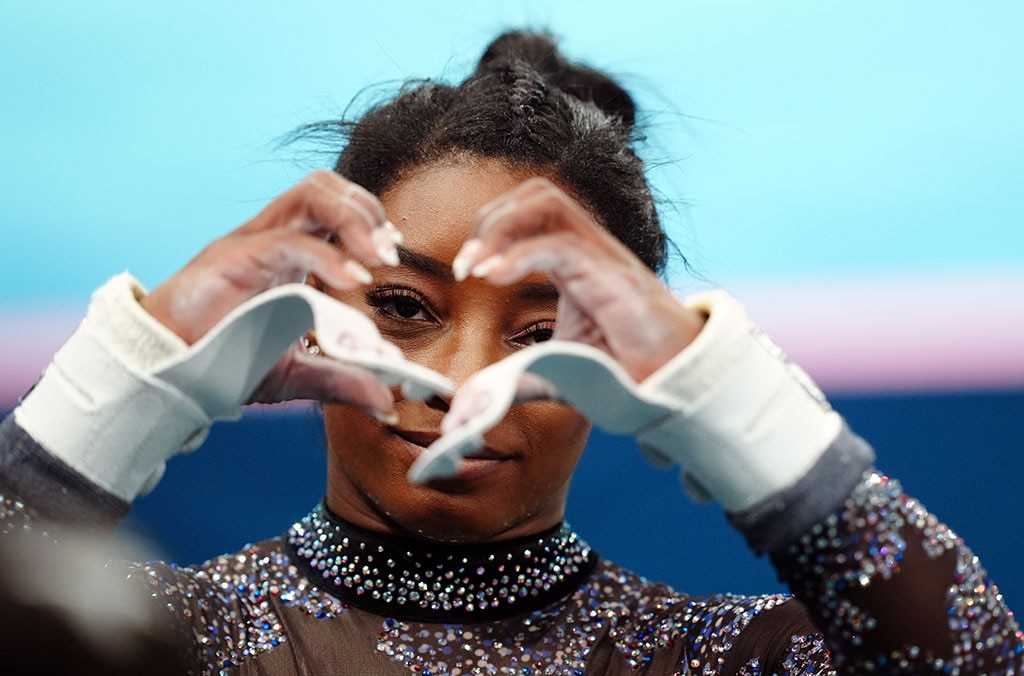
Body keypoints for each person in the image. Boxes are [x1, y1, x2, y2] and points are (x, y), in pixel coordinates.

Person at [0, 30, 1019, 675]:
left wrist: (739, 401)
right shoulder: (155, 645)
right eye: (403, 305)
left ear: (632, 375)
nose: (458, 380)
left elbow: (972, 658)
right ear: (305, 321)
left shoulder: (717, 660)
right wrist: (125, 382)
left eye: (540, 335)